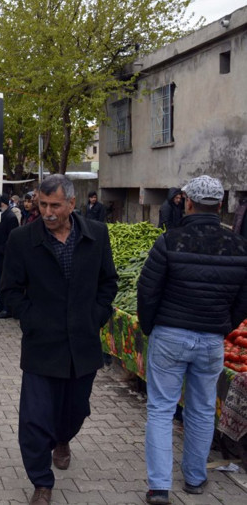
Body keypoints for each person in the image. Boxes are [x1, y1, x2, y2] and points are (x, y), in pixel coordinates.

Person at [1, 174, 118, 505]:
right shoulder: (23, 239)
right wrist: (31, 319)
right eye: (43, 204)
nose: (48, 212)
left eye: (55, 205)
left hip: (82, 344)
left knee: (76, 409)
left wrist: (96, 316)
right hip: (42, 344)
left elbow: (108, 282)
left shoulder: (96, 235)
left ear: (71, 203)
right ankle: (41, 481)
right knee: (35, 417)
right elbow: (10, 289)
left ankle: (64, 437)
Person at [137, 175, 247, 505]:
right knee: (201, 411)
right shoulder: (239, 247)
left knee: (160, 410)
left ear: (187, 201)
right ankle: (196, 479)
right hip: (212, 341)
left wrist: (149, 326)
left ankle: (159, 488)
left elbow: (147, 289)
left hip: (170, 335)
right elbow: (243, 299)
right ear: (220, 204)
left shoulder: (171, 240)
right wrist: (224, 325)